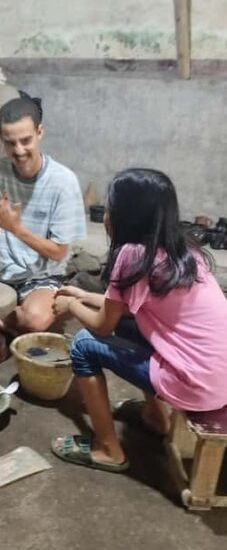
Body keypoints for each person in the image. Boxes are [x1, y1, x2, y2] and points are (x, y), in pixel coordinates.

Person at [51, 167, 227, 472]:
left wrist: (70, 304)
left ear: (125, 217)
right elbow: (126, 309)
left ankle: (108, 449)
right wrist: (81, 296)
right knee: (138, 326)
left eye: (109, 207)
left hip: (196, 384)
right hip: (219, 378)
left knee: (82, 344)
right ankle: (157, 417)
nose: (105, 213)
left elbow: (103, 324)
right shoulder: (183, 250)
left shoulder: (132, 255)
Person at [0, 96, 86, 332]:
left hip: (41, 278)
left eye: (26, 140)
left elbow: (58, 253)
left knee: (34, 320)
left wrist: (15, 228)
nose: (19, 150)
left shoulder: (63, 181)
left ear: (40, 132)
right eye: (10, 143)